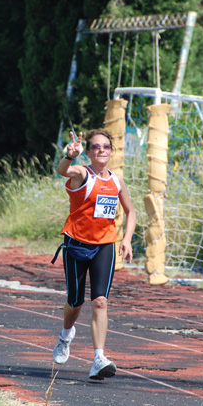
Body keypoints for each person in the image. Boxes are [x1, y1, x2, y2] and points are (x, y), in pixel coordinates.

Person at [52, 128, 136, 380]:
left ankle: (99, 358)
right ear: (88, 152)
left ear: (111, 152)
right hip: (76, 244)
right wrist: (69, 155)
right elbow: (63, 171)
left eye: (106, 146)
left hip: (104, 246)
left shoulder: (116, 180)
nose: (102, 150)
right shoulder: (81, 173)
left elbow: (131, 212)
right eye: (96, 146)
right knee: (75, 302)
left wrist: (127, 239)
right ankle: (65, 335)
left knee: (100, 301)